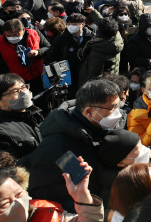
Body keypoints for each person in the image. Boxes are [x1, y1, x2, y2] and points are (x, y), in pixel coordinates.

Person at [28, 80, 122, 211]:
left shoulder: (101, 126)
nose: (118, 113)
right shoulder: (59, 148)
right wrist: (92, 210)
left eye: (118, 106)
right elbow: (47, 196)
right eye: (113, 108)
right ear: (89, 112)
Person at [0, 151, 105, 222]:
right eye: (4, 204)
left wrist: (82, 197)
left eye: (19, 194)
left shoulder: (49, 213)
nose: (18, 204)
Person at [0, 19, 50, 112]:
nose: (12, 37)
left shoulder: (34, 33)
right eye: (8, 35)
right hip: (18, 83)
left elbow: (48, 47)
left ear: (23, 30)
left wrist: (38, 52)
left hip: (39, 77)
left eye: (16, 34)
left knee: (42, 103)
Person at [0, 74, 42, 168]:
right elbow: (8, 170)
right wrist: (45, 151)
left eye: (23, 87)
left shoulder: (30, 113)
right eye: (15, 91)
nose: (24, 93)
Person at [43, 13, 94, 93]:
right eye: (68, 24)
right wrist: (52, 77)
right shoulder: (61, 39)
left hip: (88, 75)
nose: (70, 26)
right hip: (68, 76)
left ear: (83, 24)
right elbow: (50, 59)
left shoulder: (91, 37)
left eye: (74, 24)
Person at [79, 18, 124, 84]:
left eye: (98, 27)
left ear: (100, 33)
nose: (96, 27)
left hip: (97, 87)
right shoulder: (116, 38)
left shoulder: (98, 52)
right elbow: (106, 24)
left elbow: (94, 77)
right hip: (110, 82)